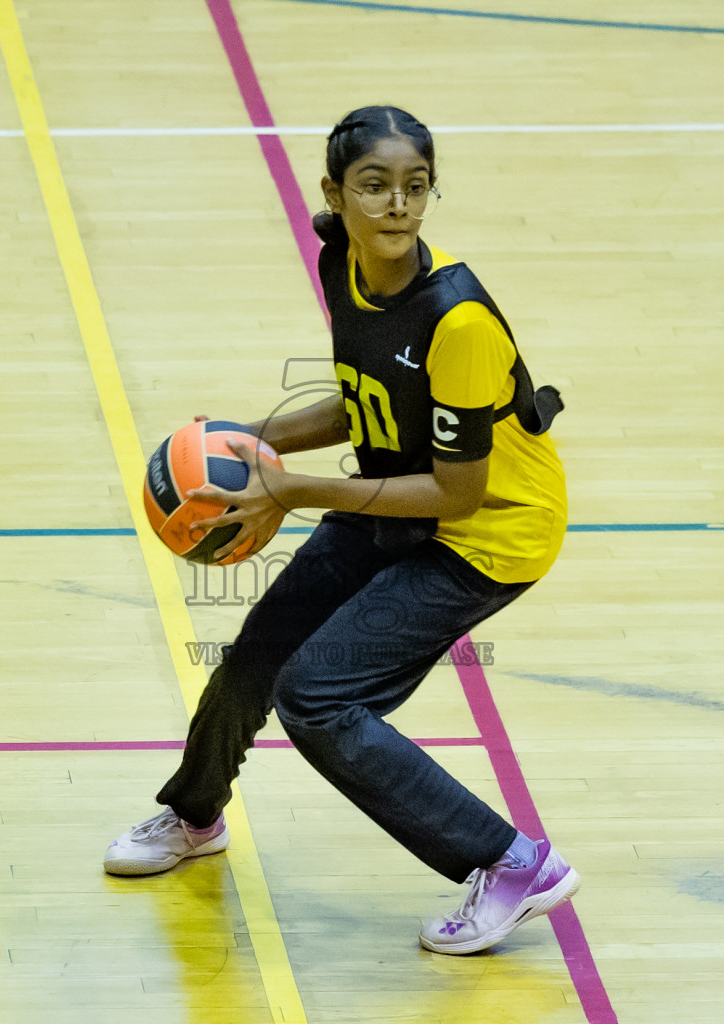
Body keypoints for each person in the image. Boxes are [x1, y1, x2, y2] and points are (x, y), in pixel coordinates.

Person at [104, 105, 576, 955]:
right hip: (396, 489)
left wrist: (293, 491)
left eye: (415, 187)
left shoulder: (457, 319)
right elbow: (368, 400)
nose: (398, 204)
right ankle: (194, 814)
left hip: (487, 535)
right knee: (258, 652)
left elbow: (458, 493)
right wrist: (252, 437)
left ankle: (511, 863)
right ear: (335, 193)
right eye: (375, 185)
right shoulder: (343, 266)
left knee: (318, 695)